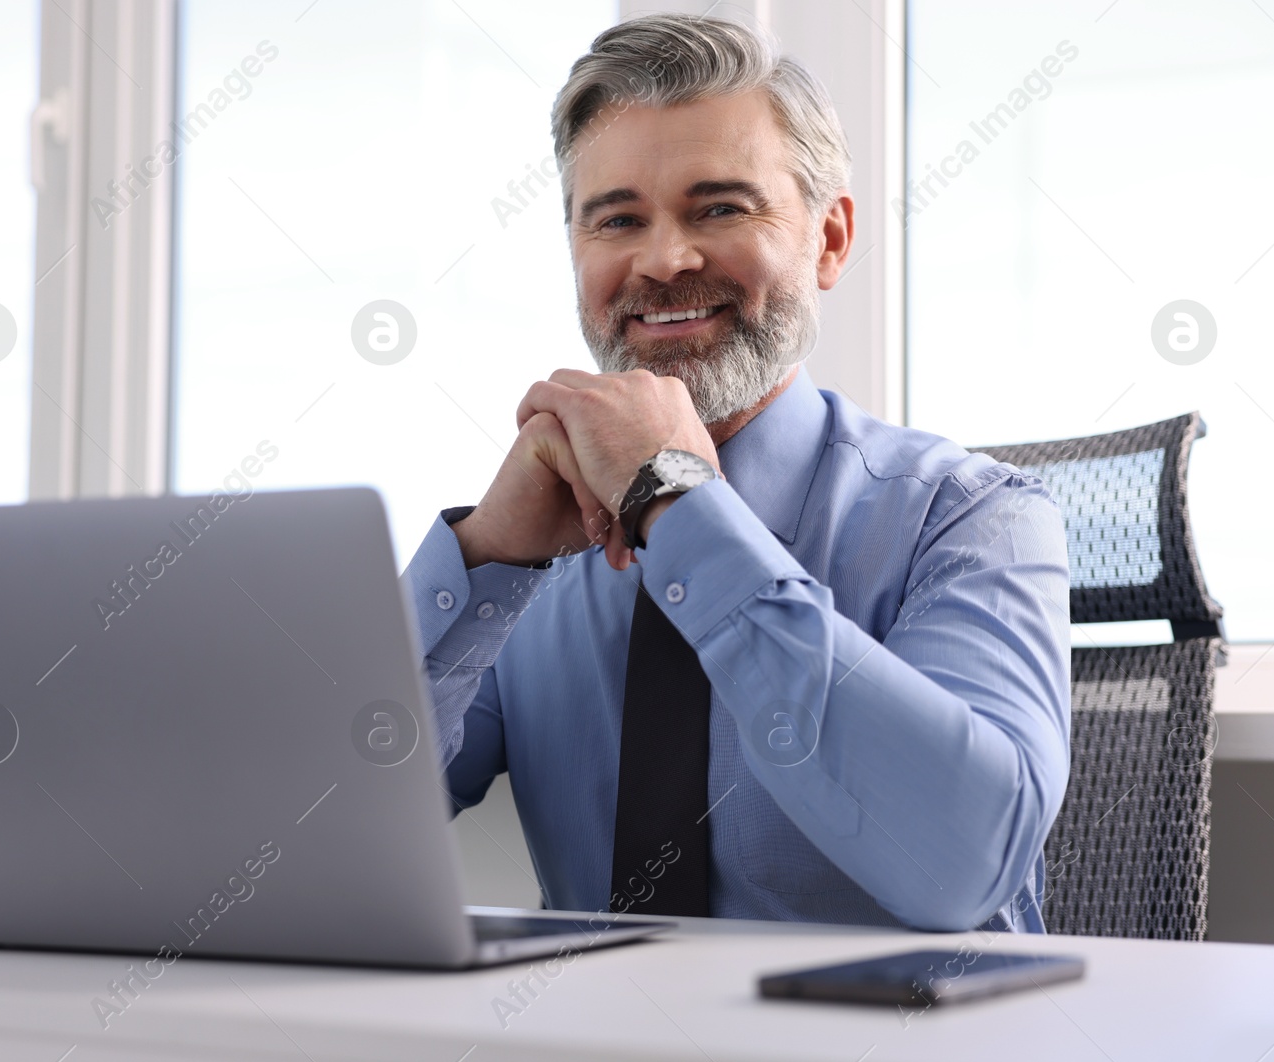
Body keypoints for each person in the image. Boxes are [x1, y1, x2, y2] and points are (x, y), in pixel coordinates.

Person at [403, 12, 1070, 932]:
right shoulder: (532, 561)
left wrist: (676, 502)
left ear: (829, 240)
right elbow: (294, 842)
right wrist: (482, 557)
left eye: (719, 207)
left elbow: (962, 864)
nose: (664, 258)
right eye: (618, 219)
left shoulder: (971, 519)